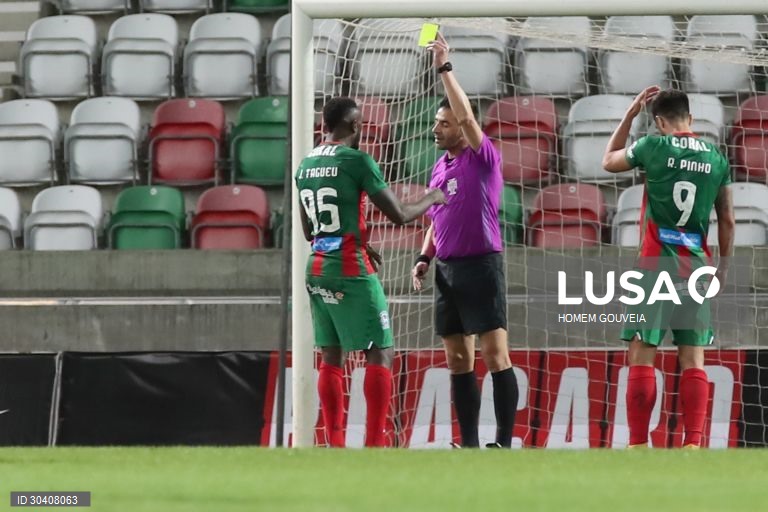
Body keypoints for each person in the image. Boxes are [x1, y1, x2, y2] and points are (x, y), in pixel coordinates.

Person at [296, 97, 445, 448]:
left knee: (330, 354)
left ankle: (333, 442)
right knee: (380, 350)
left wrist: (358, 238)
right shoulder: (358, 161)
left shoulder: (305, 164)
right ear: (354, 125)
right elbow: (401, 215)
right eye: (360, 123)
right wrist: (433, 197)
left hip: (317, 267)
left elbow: (309, 231)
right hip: (351, 270)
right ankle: (376, 445)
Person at [602, 86, 735, 448]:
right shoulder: (717, 158)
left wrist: (630, 113)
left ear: (659, 122)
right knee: (692, 356)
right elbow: (727, 220)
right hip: (696, 267)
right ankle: (693, 443)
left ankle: (637, 444)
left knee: (643, 352)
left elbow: (608, 160)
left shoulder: (653, 146)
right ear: (690, 119)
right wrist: (721, 268)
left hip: (654, 266)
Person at [411, 33, 519, 448]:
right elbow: (438, 218)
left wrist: (443, 66)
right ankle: (470, 444)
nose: (435, 128)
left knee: (495, 356)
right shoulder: (439, 168)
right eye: (436, 122)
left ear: (460, 125)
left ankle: (505, 443)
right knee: (458, 360)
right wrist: (424, 256)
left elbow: (470, 119)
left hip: (481, 265)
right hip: (447, 270)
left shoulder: (483, 157)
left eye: (444, 122)